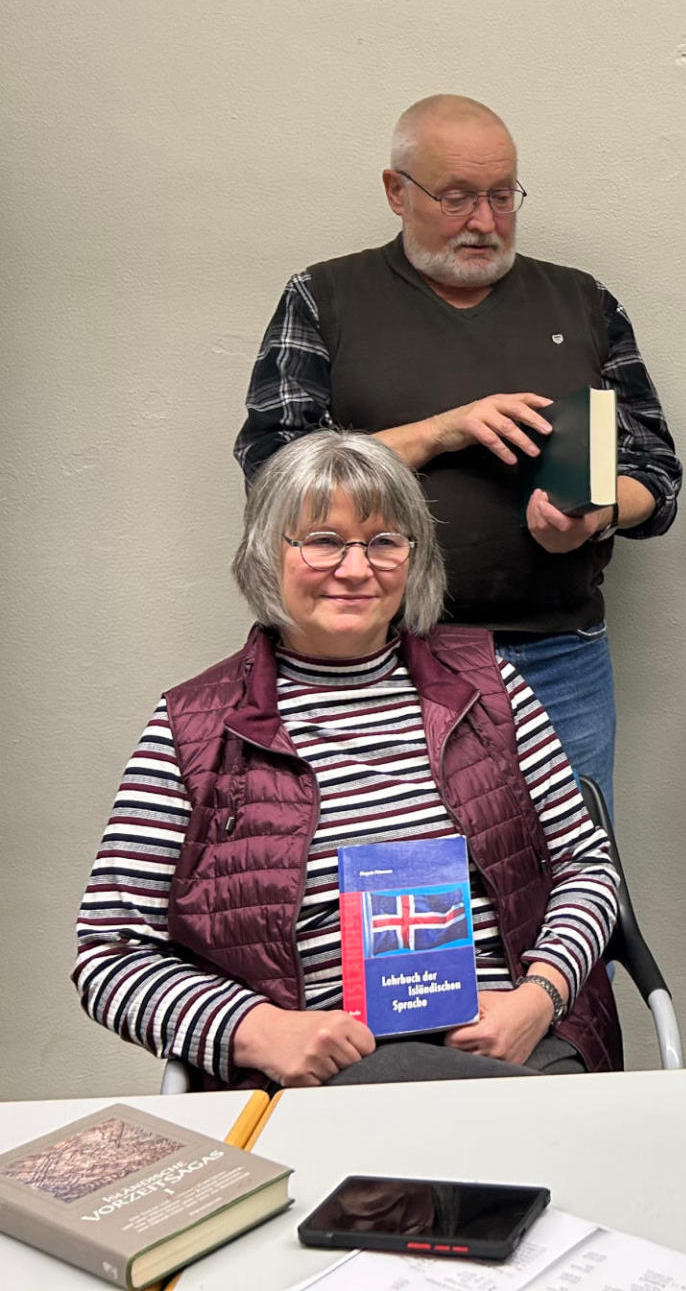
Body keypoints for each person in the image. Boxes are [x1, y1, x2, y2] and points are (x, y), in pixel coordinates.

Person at [75, 431, 624, 1090]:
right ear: (267, 553)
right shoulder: (191, 728)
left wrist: (541, 997)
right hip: (325, 1075)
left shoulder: (491, 688)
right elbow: (111, 955)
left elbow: (587, 868)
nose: (357, 569)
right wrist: (258, 1030)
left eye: (383, 541)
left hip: (512, 1047)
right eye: (324, 541)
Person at [235, 94, 681, 808]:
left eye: (502, 195)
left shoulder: (582, 301)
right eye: (457, 197)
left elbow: (655, 471)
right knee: (398, 866)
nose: (484, 221)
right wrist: (444, 431)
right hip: (376, 657)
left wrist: (595, 515)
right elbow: (274, 475)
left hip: (557, 657)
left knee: (571, 857)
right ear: (397, 193)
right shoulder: (325, 297)